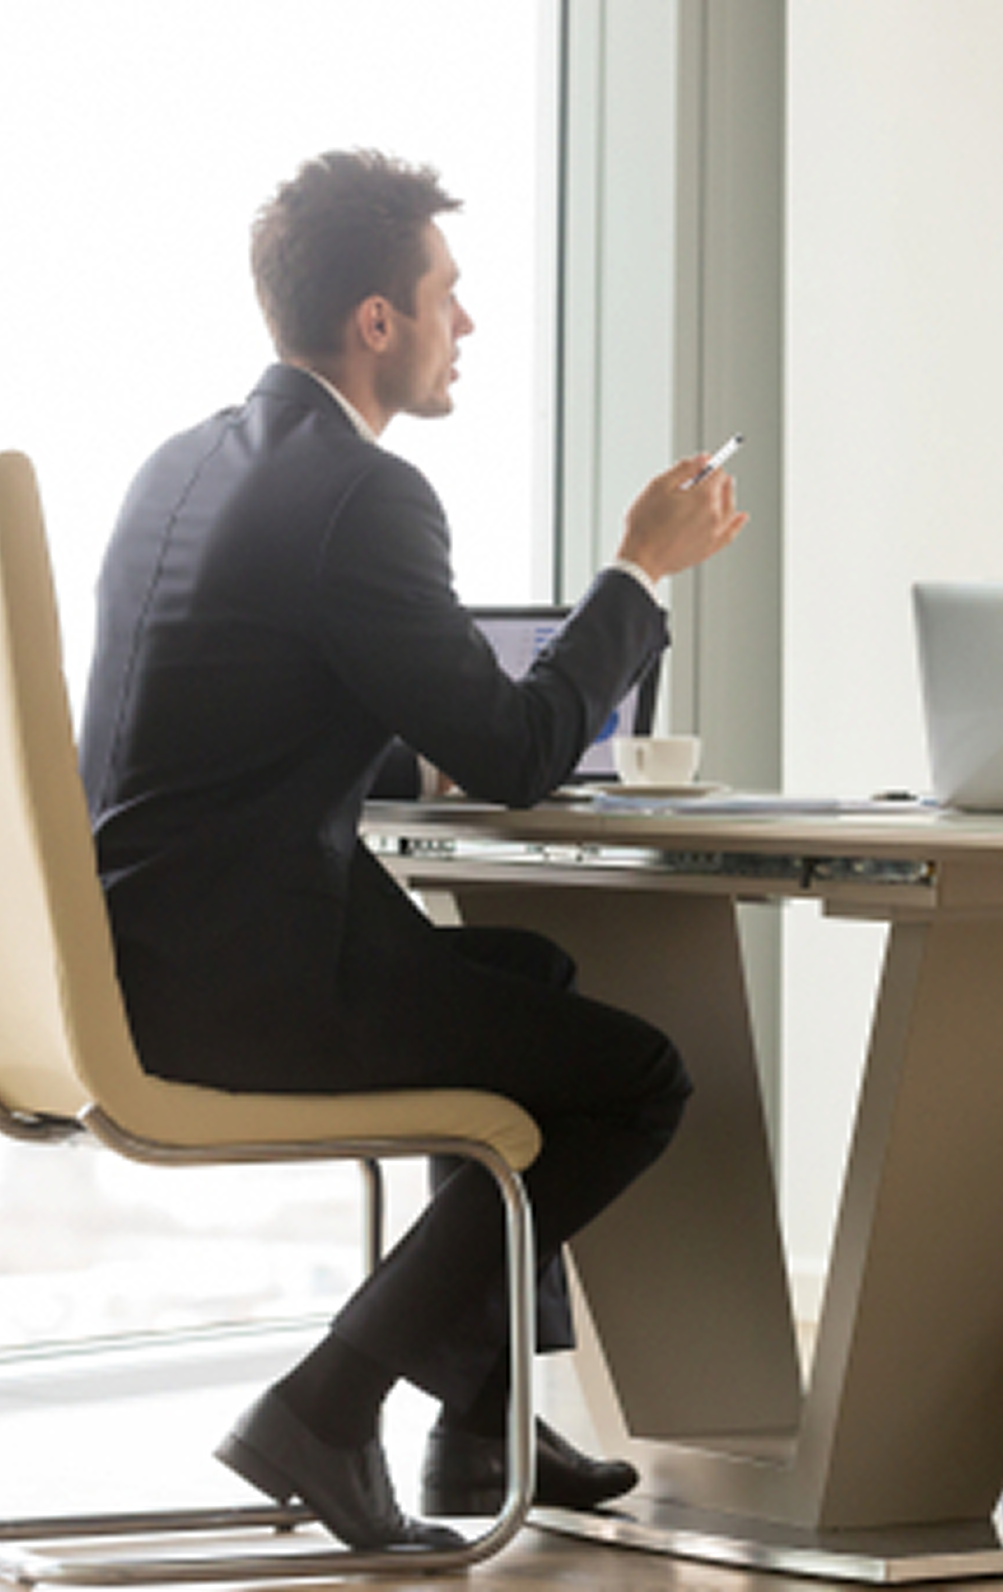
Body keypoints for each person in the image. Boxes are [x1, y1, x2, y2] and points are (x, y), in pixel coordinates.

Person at [78, 149, 747, 1552]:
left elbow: (244, 711)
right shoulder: (364, 496)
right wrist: (637, 573)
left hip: (134, 957)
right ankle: (328, 1401)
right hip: (235, 992)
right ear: (377, 321)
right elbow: (516, 757)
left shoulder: (183, 461)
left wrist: (421, 730)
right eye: (450, 294)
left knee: (533, 980)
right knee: (637, 1080)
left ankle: (479, 1422)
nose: (469, 324)